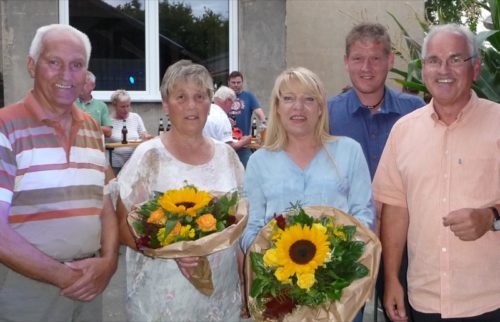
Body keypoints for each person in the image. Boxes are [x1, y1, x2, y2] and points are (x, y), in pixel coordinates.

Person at [373, 23, 500, 322]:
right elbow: (395, 210)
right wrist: (392, 279)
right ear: (424, 68)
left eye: (456, 59)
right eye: (433, 60)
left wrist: (491, 217)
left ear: (476, 68)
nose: (444, 69)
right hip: (425, 300)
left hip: (490, 299)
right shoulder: (403, 131)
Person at [0, 24, 118, 322]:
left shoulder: (92, 127)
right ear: (31, 65)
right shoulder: (5, 126)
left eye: (76, 65)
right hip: (28, 289)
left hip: (90, 287)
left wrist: (109, 262)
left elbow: (104, 204)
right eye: (54, 62)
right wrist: (63, 276)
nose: (66, 75)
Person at [115, 60, 245, 321]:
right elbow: (122, 227)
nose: (191, 106)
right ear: (166, 103)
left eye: (200, 96)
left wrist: (244, 285)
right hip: (163, 299)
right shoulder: (149, 156)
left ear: (210, 101)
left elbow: (237, 230)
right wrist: (170, 248)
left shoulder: (226, 156)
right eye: (181, 97)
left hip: (220, 297)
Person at [327, 22, 425, 322]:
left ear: (390, 61)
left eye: (375, 58)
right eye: (357, 58)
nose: (366, 67)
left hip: (406, 241)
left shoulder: (416, 112)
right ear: (346, 61)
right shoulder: (325, 114)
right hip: (343, 243)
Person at [240, 66, 374, 251]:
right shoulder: (259, 162)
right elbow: (251, 227)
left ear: (320, 108)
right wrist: (272, 260)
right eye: (288, 98)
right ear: (277, 107)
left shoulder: (350, 152)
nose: (298, 107)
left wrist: (340, 258)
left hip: (339, 276)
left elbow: (363, 216)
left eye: (309, 99)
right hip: (277, 275)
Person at [107, 89, 152, 174]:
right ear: (114, 105)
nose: (126, 110)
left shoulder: (135, 117)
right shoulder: (108, 121)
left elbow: (144, 134)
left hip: (134, 163)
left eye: (128, 106)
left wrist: (146, 137)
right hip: (115, 165)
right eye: (123, 107)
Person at [228, 70, 267, 166]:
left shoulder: (248, 96)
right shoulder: (224, 97)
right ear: (228, 83)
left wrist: (264, 122)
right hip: (227, 142)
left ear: (242, 83)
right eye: (233, 82)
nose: (236, 85)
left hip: (243, 143)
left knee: (250, 166)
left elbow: (259, 111)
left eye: (238, 82)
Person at [203, 85, 252, 150]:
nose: (231, 108)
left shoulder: (205, 110)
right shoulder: (222, 117)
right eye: (232, 104)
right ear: (228, 101)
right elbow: (228, 148)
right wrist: (243, 142)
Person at [75, 70, 113, 137]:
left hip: (95, 146)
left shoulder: (101, 106)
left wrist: (88, 125)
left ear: (93, 86)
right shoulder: (68, 104)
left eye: (84, 83)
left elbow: (108, 132)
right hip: (75, 146)